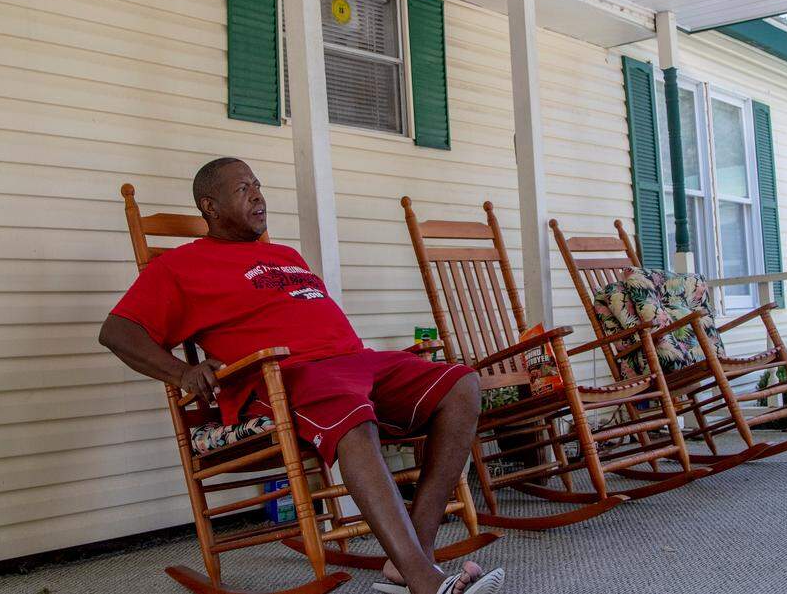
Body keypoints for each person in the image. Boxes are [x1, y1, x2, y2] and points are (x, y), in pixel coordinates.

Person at [99, 157, 503, 594]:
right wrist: (181, 372)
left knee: (461, 384)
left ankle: (409, 560)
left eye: (257, 185)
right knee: (347, 407)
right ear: (210, 207)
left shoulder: (285, 255)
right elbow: (117, 332)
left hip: (355, 363)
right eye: (242, 189)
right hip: (285, 376)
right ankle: (425, 582)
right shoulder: (178, 267)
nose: (258, 195)